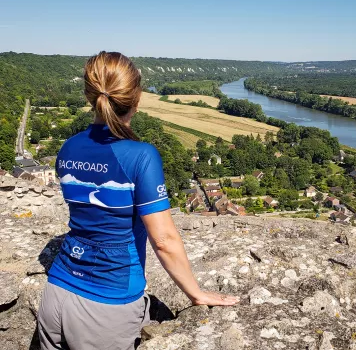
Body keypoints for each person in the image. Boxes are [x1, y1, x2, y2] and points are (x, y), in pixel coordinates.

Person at [38, 51, 239, 350]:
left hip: (55, 293)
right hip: (107, 305)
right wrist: (196, 294)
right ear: (137, 98)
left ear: (88, 95)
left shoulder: (68, 147)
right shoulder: (141, 156)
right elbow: (164, 241)